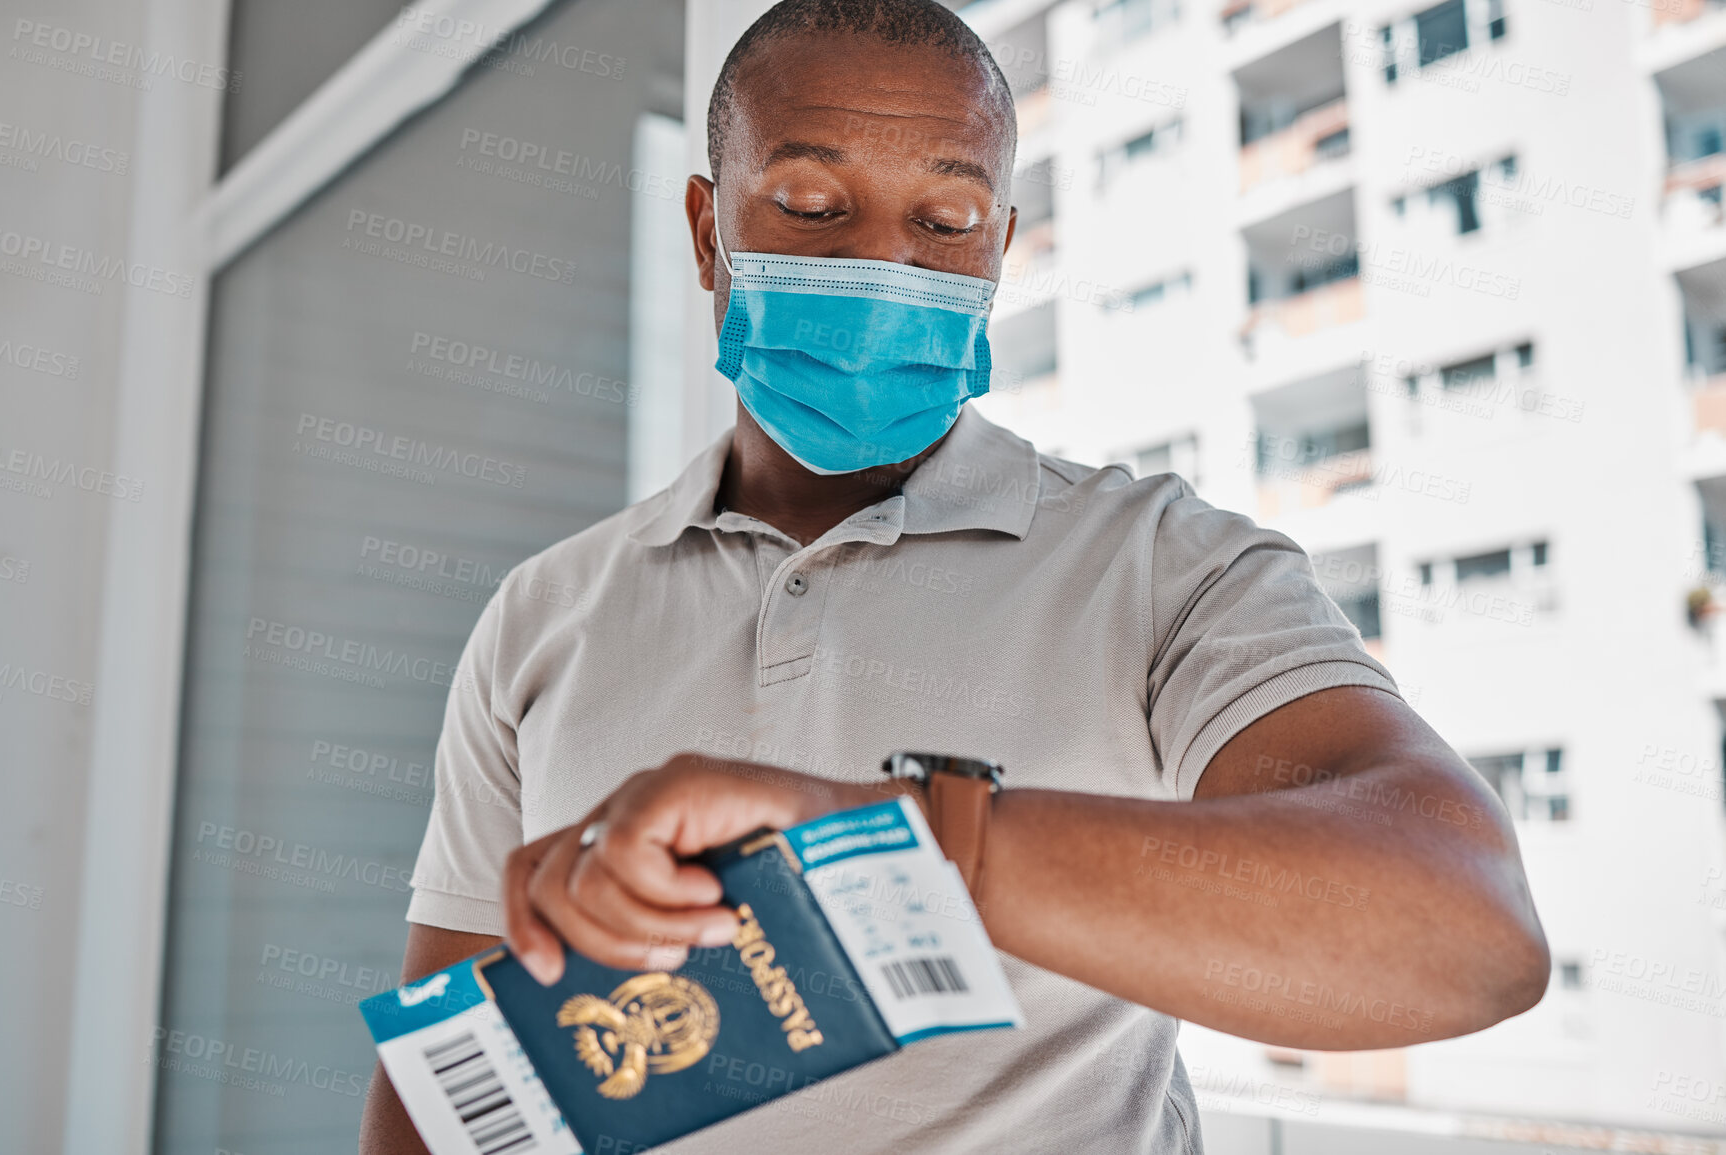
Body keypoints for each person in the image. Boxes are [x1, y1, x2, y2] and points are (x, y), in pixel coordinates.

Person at [359, 1, 1549, 1150]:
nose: (883, 262)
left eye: (945, 221)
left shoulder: (1165, 567)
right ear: (707, 228)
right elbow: (444, 1095)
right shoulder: (543, 616)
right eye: (815, 204)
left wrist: (909, 848)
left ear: (1002, 251)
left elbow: (1471, 934)